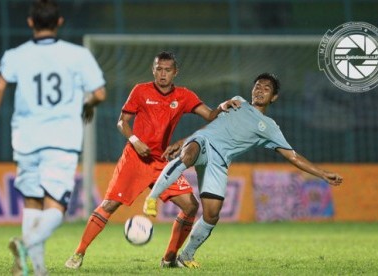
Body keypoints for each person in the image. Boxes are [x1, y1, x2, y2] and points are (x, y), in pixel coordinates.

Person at [143, 72, 343, 268]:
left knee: (212, 214)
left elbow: (292, 156)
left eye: (266, 89)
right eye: (257, 86)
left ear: (274, 97)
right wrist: (184, 141)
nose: (260, 91)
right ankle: (152, 198)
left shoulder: (270, 127)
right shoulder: (237, 101)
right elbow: (212, 127)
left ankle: (186, 256)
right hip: (203, 143)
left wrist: (322, 173)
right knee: (189, 153)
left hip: (219, 162)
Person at [65, 51, 240, 269]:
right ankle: (78, 253)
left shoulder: (184, 96)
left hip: (163, 162)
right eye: (159, 69)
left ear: (175, 72)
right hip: (135, 159)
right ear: (153, 69)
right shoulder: (140, 90)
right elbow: (122, 122)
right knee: (109, 205)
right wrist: (135, 140)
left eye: (167, 70)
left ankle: (169, 259)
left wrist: (223, 106)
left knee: (190, 206)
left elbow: (211, 116)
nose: (162, 74)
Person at [0, 0, 106, 275]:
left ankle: (35, 269)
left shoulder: (16, 54)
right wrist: (87, 105)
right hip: (61, 140)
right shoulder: (77, 55)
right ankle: (27, 243)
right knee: (57, 207)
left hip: (25, 138)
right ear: (59, 22)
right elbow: (100, 93)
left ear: (31, 23)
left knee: (32, 202)